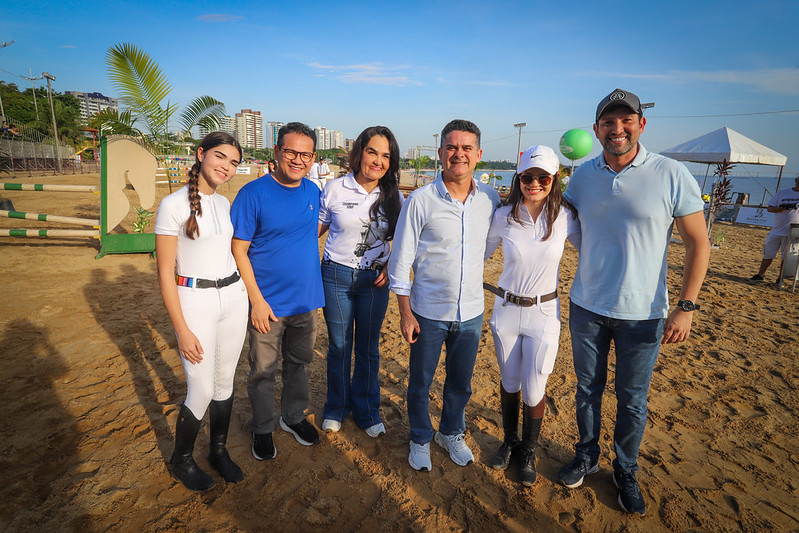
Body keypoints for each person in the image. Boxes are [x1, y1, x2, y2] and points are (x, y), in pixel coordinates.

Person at [557, 89, 710, 515]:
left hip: (644, 314)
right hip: (586, 305)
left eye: (626, 121)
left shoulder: (671, 173)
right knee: (586, 389)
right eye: (609, 122)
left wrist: (687, 306)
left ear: (641, 124)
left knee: (632, 400)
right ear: (596, 129)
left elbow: (699, 243)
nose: (617, 129)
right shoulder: (582, 176)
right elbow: (551, 219)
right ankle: (587, 455)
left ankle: (625, 468)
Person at [388, 119, 501, 471]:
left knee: (460, 382)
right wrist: (406, 314)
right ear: (440, 153)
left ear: (479, 155)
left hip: (470, 312)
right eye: (452, 147)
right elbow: (400, 260)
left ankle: (451, 432)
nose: (459, 154)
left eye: (467, 148)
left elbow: (486, 248)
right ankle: (420, 437)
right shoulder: (420, 200)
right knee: (420, 381)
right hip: (427, 310)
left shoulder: (490, 198)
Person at [154, 132, 249, 492]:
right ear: (201, 154)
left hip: (233, 297)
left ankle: (219, 450)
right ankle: (181, 460)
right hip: (195, 301)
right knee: (202, 387)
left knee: (226, 382)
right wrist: (181, 329)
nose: (226, 167)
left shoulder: (224, 205)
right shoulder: (174, 205)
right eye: (220, 157)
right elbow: (164, 271)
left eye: (234, 162)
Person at [484, 145, 580, 486]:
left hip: (545, 312)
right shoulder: (503, 215)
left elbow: (595, 248)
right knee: (510, 382)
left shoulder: (567, 216)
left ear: (554, 180)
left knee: (535, 388)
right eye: (527, 177)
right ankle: (509, 441)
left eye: (542, 177)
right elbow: (475, 254)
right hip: (507, 310)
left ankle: (528, 450)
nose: (534, 183)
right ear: (518, 178)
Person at [231, 122, 324, 460]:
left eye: (305, 154)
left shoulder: (313, 192)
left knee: (299, 364)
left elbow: (307, 234)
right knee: (262, 371)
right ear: (276, 153)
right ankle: (262, 427)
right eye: (290, 151)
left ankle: (293, 417)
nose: (297, 159)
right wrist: (256, 301)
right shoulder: (252, 194)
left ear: (313, 157)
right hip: (266, 304)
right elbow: (238, 249)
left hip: (305, 301)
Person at [318, 126, 404, 438]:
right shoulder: (334, 189)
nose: (378, 161)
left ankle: (367, 411)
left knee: (368, 349)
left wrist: (391, 266)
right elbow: (313, 232)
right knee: (339, 347)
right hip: (336, 277)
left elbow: (405, 243)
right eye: (372, 152)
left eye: (385, 155)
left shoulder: (395, 197)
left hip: (374, 283)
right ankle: (336, 407)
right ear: (359, 154)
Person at [750, 175, 799, 284]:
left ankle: (780, 278)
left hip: (793, 232)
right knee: (768, 254)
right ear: (796, 180)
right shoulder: (783, 192)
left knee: (786, 257)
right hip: (777, 229)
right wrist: (778, 209)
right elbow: (769, 208)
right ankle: (760, 274)